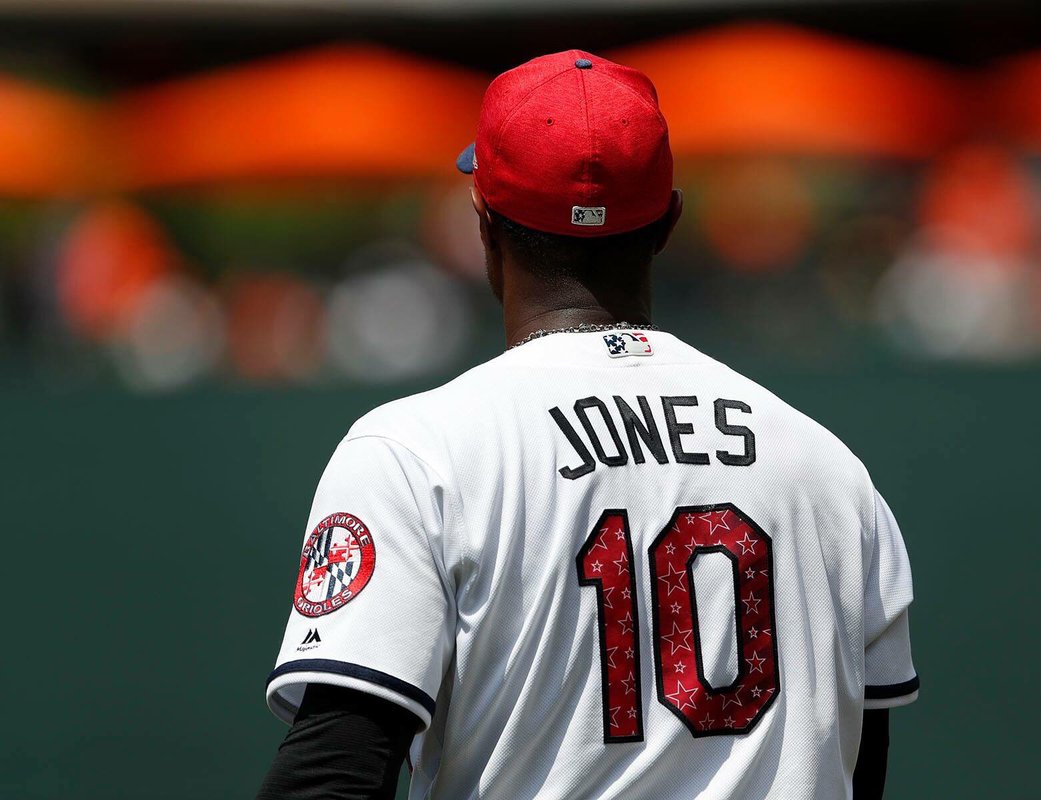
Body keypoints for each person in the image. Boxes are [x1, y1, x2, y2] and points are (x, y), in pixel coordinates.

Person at [258, 50, 918, 800]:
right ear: (668, 223)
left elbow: (332, 775)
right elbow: (857, 766)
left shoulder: (418, 453)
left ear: (484, 221)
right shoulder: (827, 468)